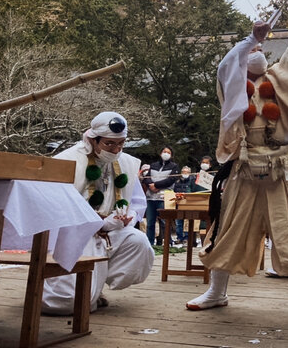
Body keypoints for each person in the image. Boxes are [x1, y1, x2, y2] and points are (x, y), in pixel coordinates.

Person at [186, 0, 288, 325]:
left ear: (269, 54)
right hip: (244, 167)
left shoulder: (283, 78)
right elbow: (227, 66)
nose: (256, 50)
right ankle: (216, 292)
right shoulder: (235, 82)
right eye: (250, 47)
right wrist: (248, 38)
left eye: (261, 46)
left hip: (285, 167)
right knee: (227, 230)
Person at [42, 112, 154, 314]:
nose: (116, 150)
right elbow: (52, 202)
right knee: (69, 303)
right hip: (73, 233)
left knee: (138, 243)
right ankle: (73, 291)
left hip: (110, 231)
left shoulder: (127, 163)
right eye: (110, 144)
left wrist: (126, 218)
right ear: (93, 139)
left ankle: (97, 287)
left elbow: (137, 202)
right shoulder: (67, 160)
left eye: (121, 144)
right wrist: (96, 221)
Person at [141, 146, 180, 246]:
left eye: (168, 152)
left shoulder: (174, 166)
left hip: (164, 197)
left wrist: (157, 185)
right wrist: (151, 185)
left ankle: (168, 242)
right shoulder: (153, 165)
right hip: (151, 197)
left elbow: (171, 180)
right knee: (150, 222)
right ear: (160, 153)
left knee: (164, 222)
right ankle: (149, 243)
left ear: (171, 155)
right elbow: (146, 177)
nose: (166, 153)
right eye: (164, 151)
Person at [173, 165, 195, 243]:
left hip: (188, 203)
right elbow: (174, 191)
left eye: (187, 172)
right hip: (179, 204)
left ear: (190, 173)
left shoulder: (192, 181)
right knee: (178, 222)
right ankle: (179, 237)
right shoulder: (177, 182)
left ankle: (186, 237)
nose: (185, 173)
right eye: (183, 172)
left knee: (187, 222)